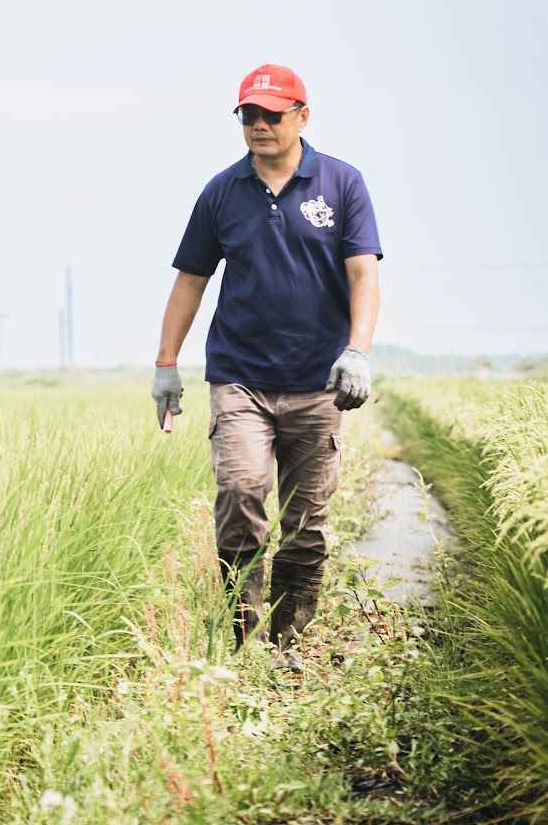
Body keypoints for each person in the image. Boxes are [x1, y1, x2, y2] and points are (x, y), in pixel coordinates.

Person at [152, 63, 382, 671]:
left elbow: (363, 274)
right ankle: (240, 642)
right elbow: (191, 281)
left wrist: (357, 350)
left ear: (302, 117)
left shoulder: (342, 184)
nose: (258, 125)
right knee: (241, 493)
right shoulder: (222, 192)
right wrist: (166, 364)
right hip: (240, 378)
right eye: (248, 115)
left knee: (305, 525)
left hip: (317, 383)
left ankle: (287, 648)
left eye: (271, 115)